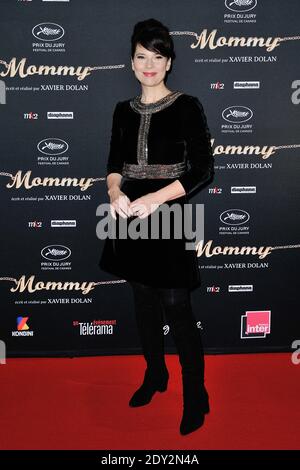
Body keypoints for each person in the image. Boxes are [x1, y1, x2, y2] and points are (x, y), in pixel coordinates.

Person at [99, 18, 214, 435]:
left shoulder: (187, 106)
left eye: (158, 57)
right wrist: (115, 194)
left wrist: (156, 197)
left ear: (169, 63)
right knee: (142, 303)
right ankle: (155, 375)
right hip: (129, 214)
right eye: (141, 57)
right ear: (131, 62)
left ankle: (196, 395)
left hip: (168, 213)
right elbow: (114, 166)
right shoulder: (121, 111)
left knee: (178, 310)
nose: (149, 65)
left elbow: (203, 169)